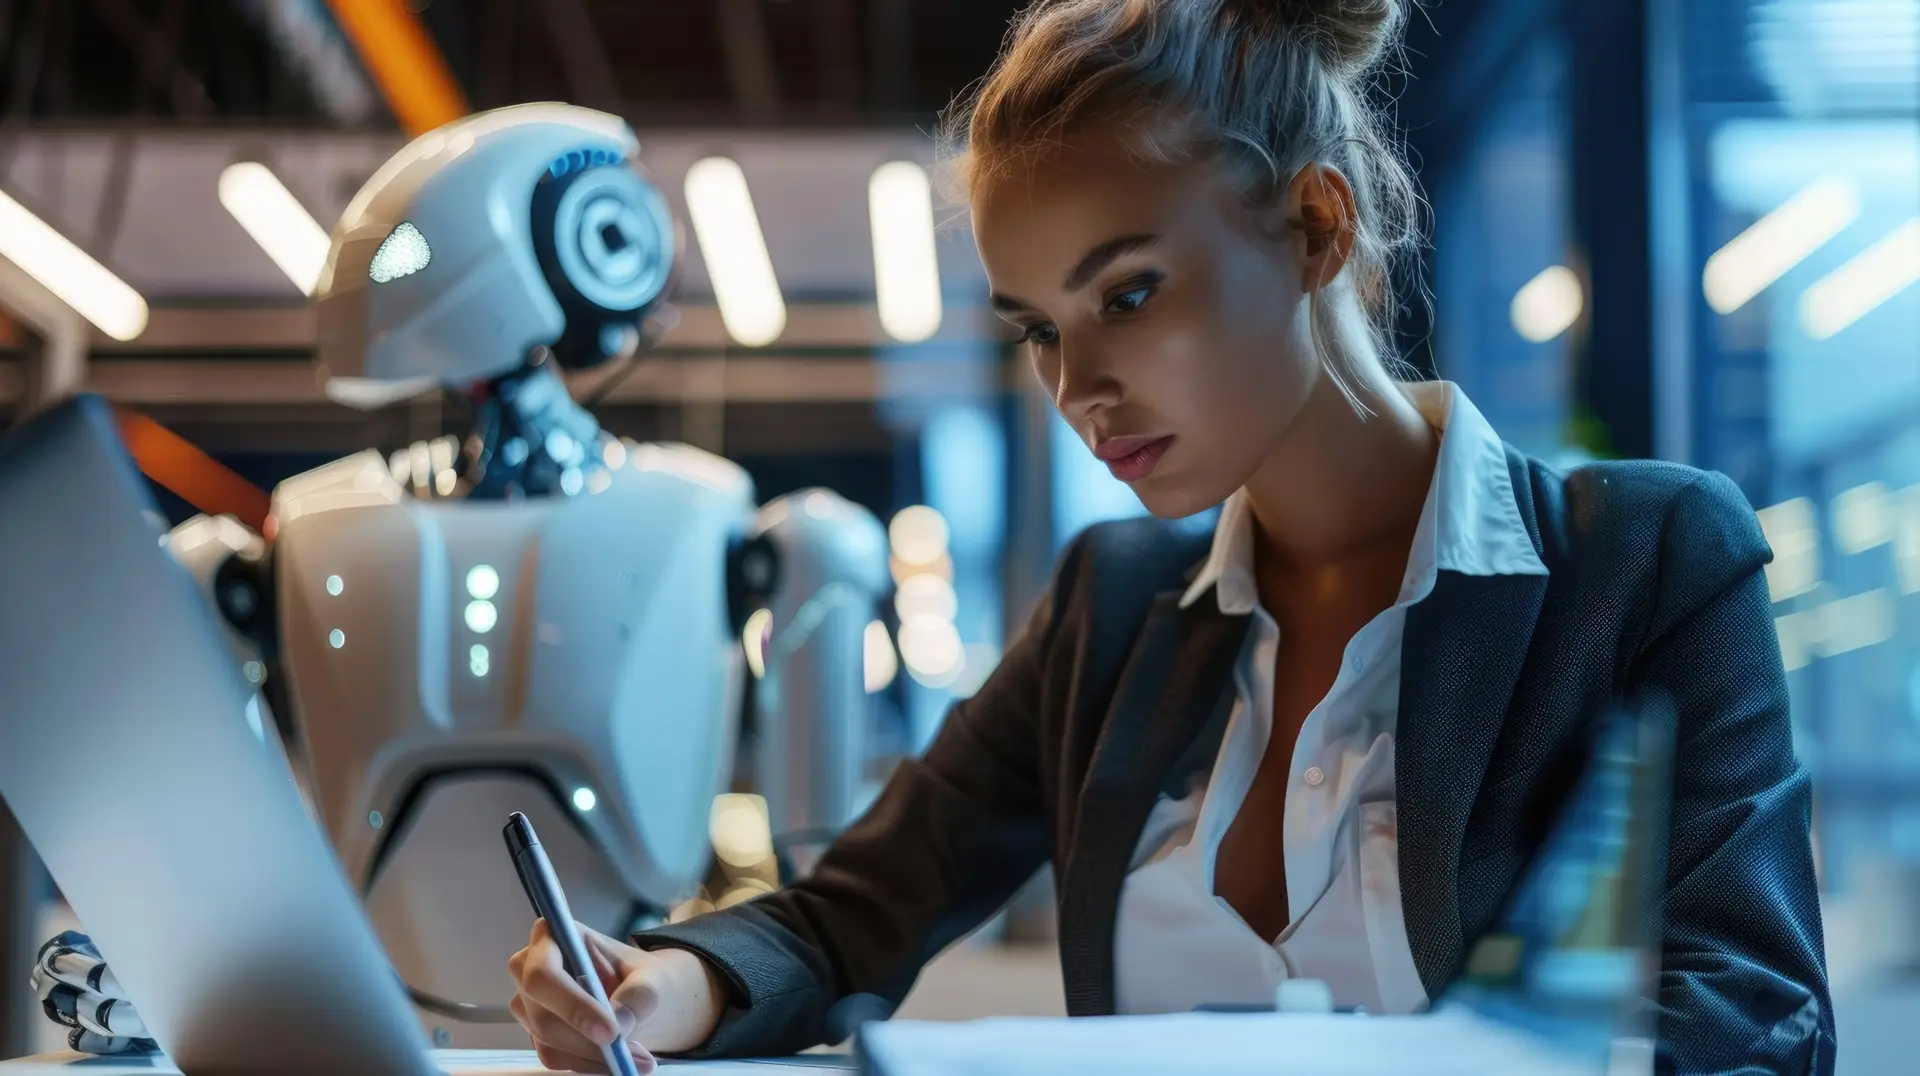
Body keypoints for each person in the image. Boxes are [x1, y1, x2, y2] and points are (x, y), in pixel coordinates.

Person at [507, 1, 1834, 1073]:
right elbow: (853, 912)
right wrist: (658, 986)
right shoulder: (1114, 609)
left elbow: (1757, 1019)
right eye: (1040, 328)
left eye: (1127, 293)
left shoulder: (1643, 562)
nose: (1077, 383)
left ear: (1317, 227)